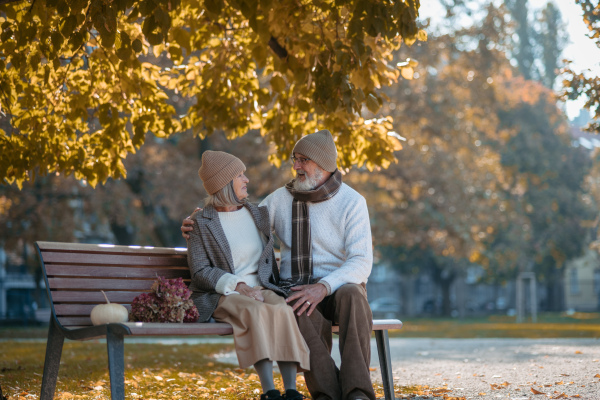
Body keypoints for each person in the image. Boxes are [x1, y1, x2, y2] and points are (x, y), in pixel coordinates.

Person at [183, 130, 375, 400]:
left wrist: (322, 287)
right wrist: (197, 220)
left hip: (338, 287)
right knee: (296, 306)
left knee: (355, 295)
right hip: (295, 288)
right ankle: (327, 394)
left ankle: (357, 393)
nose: (295, 166)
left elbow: (361, 261)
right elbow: (241, 222)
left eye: (303, 160)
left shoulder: (352, 202)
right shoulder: (279, 200)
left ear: (323, 165)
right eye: (294, 159)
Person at [187, 150, 309, 400]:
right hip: (224, 294)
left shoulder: (258, 213)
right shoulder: (201, 222)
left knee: (283, 309)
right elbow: (200, 271)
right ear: (224, 183)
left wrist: (257, 290)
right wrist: (239, 286)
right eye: (240, 175)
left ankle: (292, 392)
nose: (247, 180)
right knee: (255, 311)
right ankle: (270, 392)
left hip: (263, 289)